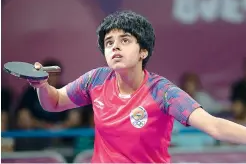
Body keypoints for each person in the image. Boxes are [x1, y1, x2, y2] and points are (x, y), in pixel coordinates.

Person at [28, 11, 246, 163]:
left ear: (143, 51)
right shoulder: (95, 80)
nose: (115, 47)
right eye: (109, 42)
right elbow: (54, 102)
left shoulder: (162, 92)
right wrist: (42, 85)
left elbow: (214, 126)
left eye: (124, 40)